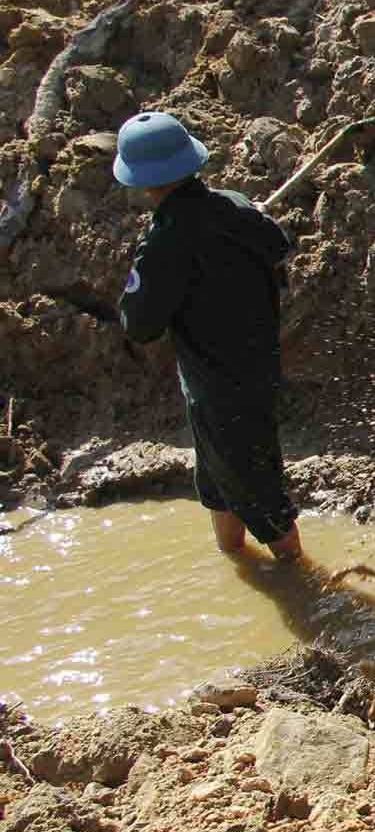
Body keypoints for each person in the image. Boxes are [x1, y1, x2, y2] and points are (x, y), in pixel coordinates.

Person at [114, 111, 301, 560]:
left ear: (143, 182)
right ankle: (236, 562)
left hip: (219, 390)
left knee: (263, 500)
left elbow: (140, 326)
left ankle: (303, 584)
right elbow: (278, 247)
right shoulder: (233, 204)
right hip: (256, 370)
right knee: (219, 486)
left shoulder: (165, 243)